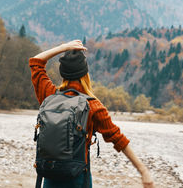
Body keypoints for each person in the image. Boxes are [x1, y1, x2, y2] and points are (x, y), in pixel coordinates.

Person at [29, 39, 155, 188]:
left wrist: (63, 47)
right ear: (85, 74)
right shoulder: (93, 105)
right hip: (77, 178)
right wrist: (144, 171)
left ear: (63, 73)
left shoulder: (49, 96)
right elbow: (118, 139)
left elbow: (36, 62)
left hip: (50, 175)